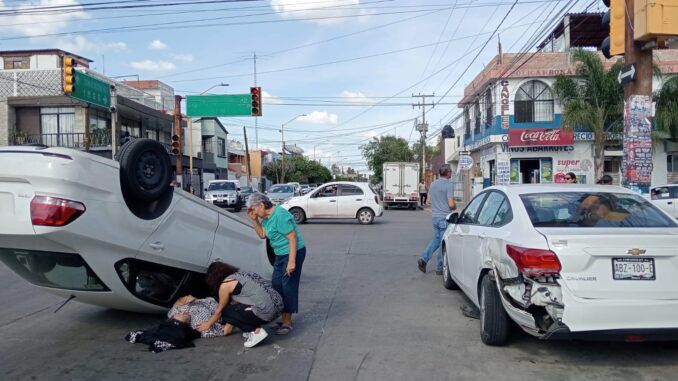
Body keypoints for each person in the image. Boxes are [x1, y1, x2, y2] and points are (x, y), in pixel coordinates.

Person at [247, 192, 306, 335]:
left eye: (253, 209)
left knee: (288, 286)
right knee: (277, 284)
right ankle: (282, 317)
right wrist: (254, 220)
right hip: (280, 254)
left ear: (261, 205)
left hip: (293, 252)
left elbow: (292, 238)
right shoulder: (266, 218)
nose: (253, 212)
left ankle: (287, 320)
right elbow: (262, 235)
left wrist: (291, 262)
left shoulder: (279, 215)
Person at [197, 261, 283, 348]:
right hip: (279, 308)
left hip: (267, 312)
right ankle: (250, 328)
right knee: (237, 308)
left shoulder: (225, 285)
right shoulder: (243, 274)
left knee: (226, 312)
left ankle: (255, 331)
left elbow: (219, 310)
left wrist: (208, 324)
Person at [418, 164, 457, 275]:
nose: (451, 173)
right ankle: (440, 268)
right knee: (442, 243)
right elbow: (450, 204)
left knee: (436, 240)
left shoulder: (433, 184)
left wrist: (438, 202)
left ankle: (424, 259)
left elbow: (428, 201)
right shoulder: (449, 185)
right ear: (448, 173)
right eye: (451, 172)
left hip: (435, 216)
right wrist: (454, 206)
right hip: (444, 218)